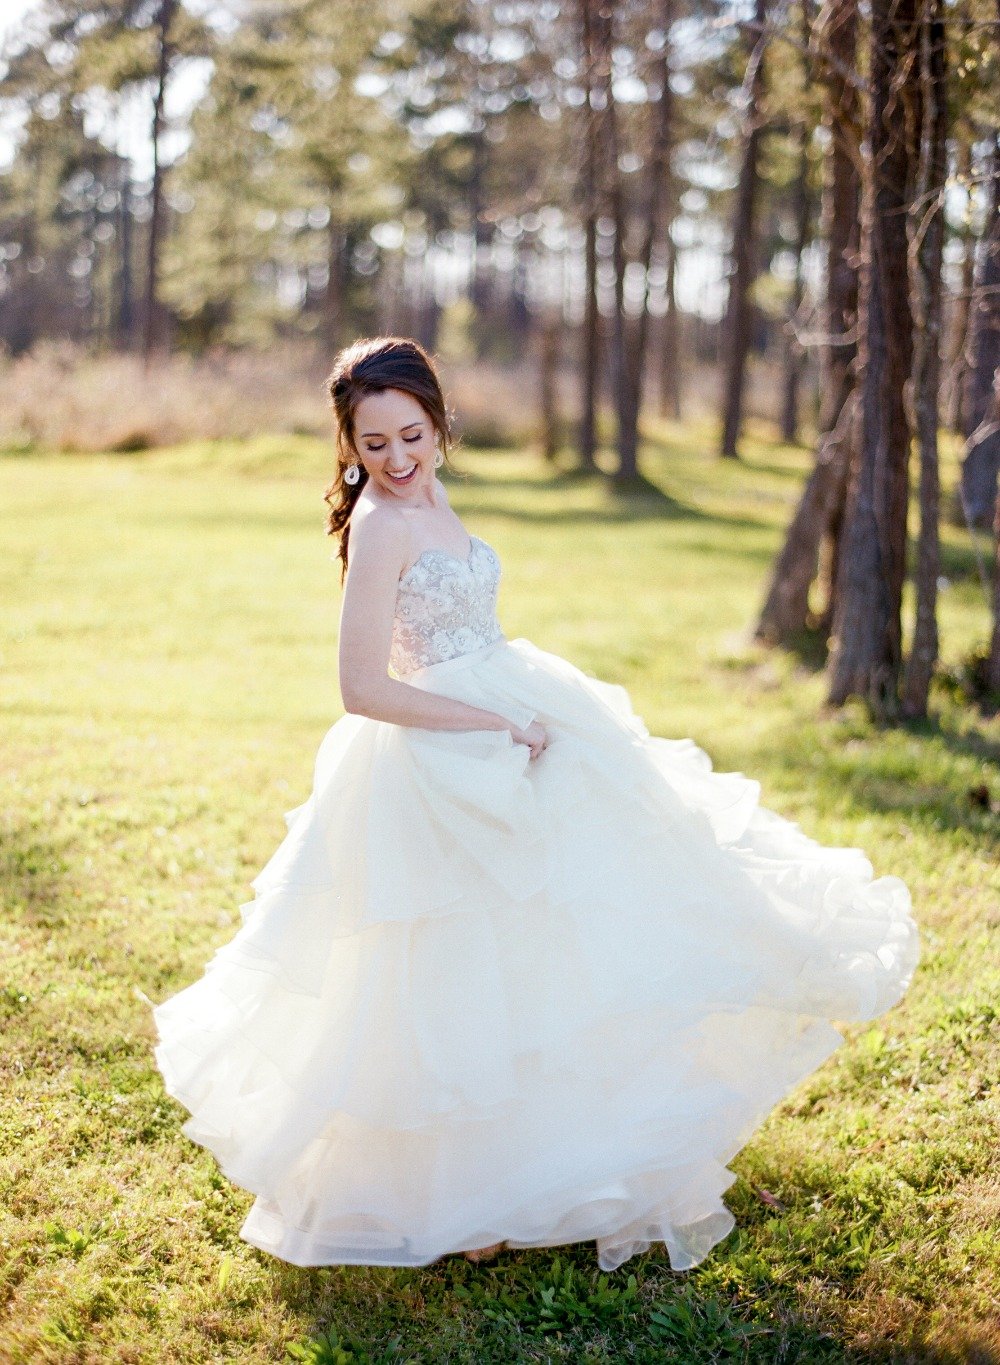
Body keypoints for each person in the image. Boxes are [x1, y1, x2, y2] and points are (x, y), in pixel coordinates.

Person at [151, 335, 920, 1274]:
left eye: (411, 436)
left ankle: (556, 1158)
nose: (395, 460)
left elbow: (465, 619)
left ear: (439, 425)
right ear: (347, 445)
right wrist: (487, 722)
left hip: (512, 716)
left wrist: (517, 711)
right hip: (439, 753)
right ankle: (466, 1190)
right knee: (451, 968)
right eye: (372, 444)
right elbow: (361, 685)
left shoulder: (432, 495)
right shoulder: (380, 524)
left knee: (554, 948)